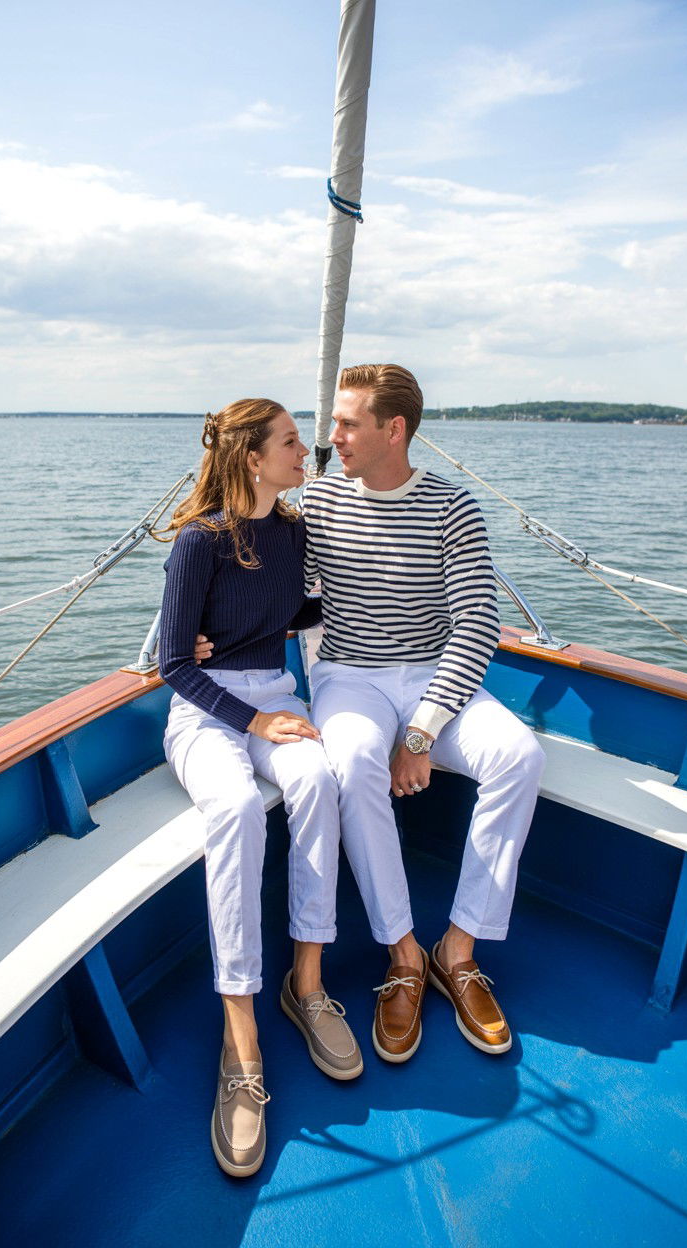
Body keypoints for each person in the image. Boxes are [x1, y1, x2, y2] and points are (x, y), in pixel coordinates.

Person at [299, 364, 546, 1064]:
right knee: (349, 761)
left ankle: (457, 948)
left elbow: (475, 624)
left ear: (393, 429)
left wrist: (421, 735)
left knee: (520, 756)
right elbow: (286, 594)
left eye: (348, 423)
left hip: (436, 674)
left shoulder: (452, 508)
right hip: (351, 674)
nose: (334, 436)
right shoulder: (318, 503)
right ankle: (403, 955)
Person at [158, 398, 361, 1181]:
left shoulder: (294, 532)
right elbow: (176, 663)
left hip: (276, 695)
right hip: (207, 711)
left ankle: (304, 984)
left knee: (320, 780)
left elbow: (300, 607)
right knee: (239, 808)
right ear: (252, 457)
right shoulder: (198, 542)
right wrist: (251, 721)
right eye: (291, 443)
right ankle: (238, 1032)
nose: (306, 452)